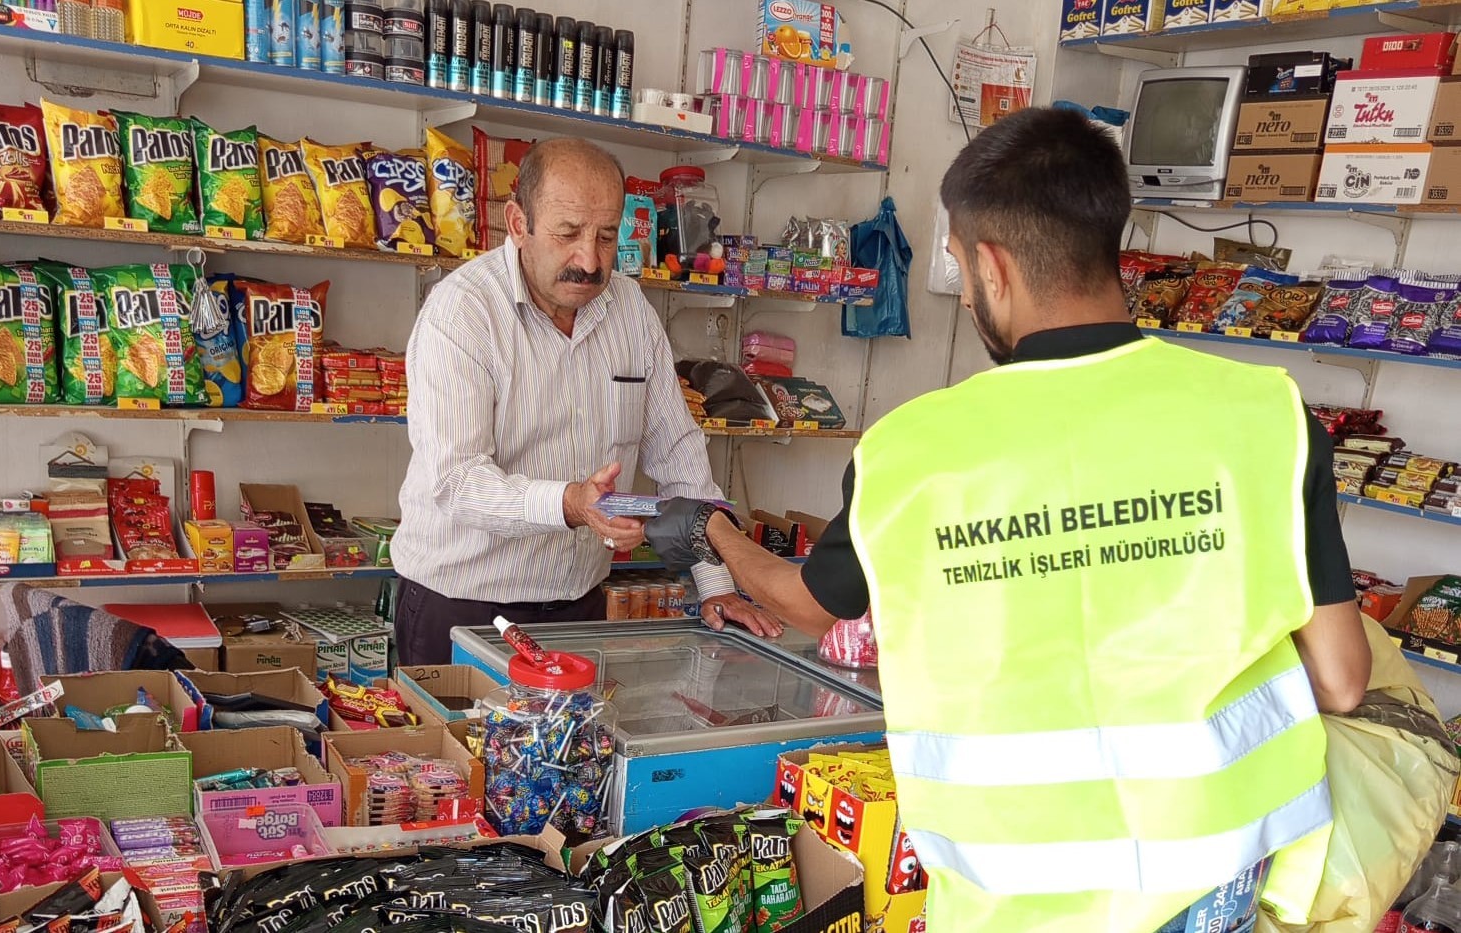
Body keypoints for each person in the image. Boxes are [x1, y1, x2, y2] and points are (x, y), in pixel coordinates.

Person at [646, 107, 1372, 933]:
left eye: (956, 265)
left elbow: (809, 603)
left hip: (1014, 898)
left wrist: (715, 530)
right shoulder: (1266, 416)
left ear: (990, 266)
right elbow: (1344, 678)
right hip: (1215, 883)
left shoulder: (913, 451)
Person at [390, 137, 780, 665]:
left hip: (579, 607)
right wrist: (569, 503)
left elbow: (680, 454)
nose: (589, 260)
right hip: (462, 607)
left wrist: (714, 582)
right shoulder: (462, 312)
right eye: (568, 233)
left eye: (605, 236)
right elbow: (457, 482)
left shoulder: (630, 312)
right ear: (519, 223)